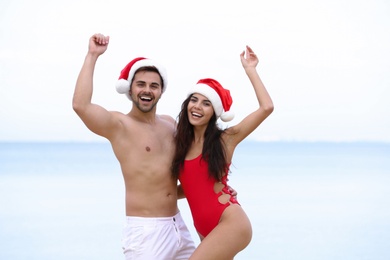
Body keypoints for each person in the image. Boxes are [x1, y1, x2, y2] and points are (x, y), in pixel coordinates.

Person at [72, 33, 196, 259]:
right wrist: (92, 55)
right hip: (146, 232)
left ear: (161, 91)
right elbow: (81, 105)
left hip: (178, 225)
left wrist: (216, 191)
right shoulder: (120, 125)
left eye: (153, 85)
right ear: (130, 90)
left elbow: (187, 174)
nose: (147, 90)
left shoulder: (170, 124)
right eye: (141, 84)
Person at [171, 45, 274, 260]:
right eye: (194, 100)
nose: (197, 107)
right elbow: (191, 187)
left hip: (230, 222)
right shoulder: (181, 144)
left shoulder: (225, 139)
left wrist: (251, 70)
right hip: (204, 230)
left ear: (214, 112)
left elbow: (266, 107)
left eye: (206, 103)